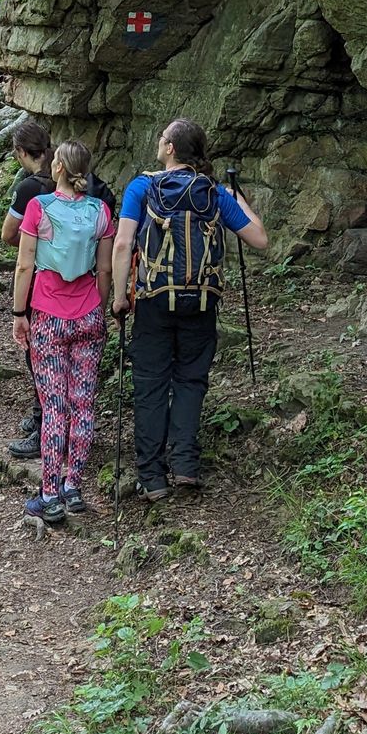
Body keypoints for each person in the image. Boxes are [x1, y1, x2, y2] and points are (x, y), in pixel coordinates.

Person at [109, 118, 267, 501]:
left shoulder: (142, 186)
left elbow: (122, 244)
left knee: (150, 384)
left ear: (169, 149)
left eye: (162, 137)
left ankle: (152, 476)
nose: (160, 141)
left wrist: (118, 298)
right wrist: (237, 196)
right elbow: (259, 238)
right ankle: (184, 465)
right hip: (201, 300)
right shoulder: (213, 192)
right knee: (190, 380)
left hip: (153, 299)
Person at [10, 140, 114, 524]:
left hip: (49, 315)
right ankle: (74, 487)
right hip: (88, 314)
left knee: (55, 405)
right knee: (83, 404)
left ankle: (50, 493)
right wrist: (97, 308)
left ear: (58, 168)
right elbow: (104, 270)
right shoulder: (100, 211)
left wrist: (20, 312)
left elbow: (24, 266)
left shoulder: (39, 208)